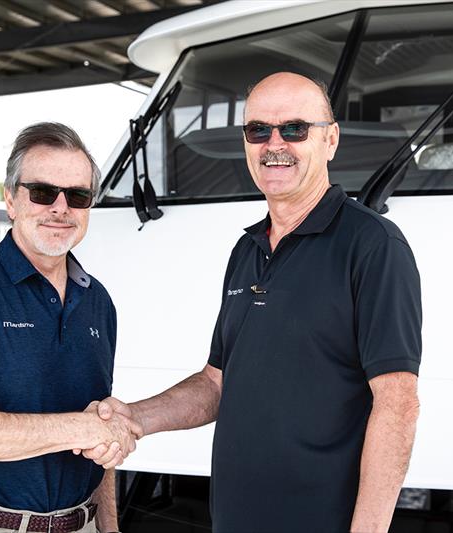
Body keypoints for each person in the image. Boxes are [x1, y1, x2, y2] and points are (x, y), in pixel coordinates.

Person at [81, 72, 422, 533]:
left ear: (331, 140)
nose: (273, 143)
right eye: (258, 130)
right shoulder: (247, 250)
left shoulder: (373, 245)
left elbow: (397, 404)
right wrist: (132, 418)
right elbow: (217, 383)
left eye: (294, 129)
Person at [0, 122, 140, 533]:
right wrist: (85, 426)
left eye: (77, 195)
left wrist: (109, 527)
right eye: (42, 192)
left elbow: (100, 436)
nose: (60, 207)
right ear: (10, 200)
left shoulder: (98, 303)